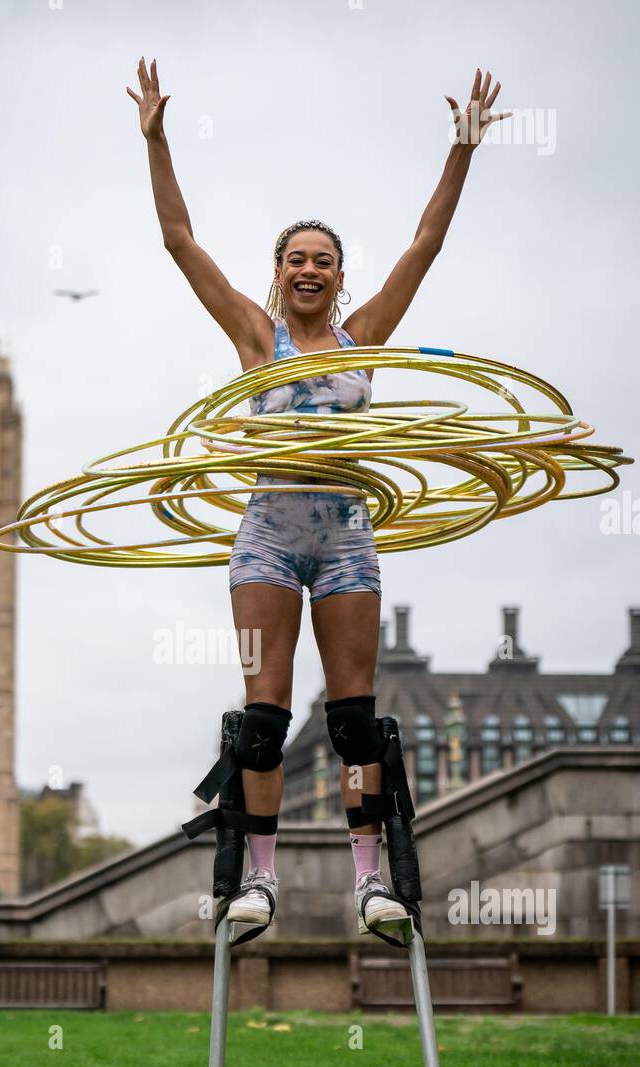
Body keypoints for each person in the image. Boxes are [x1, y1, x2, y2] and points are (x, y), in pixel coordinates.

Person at [128, 58, 510, 936]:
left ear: (339, 277)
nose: (311, 270)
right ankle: (258, 881)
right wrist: (157, 139)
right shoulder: (253, 337)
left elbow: (425, 246)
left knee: (353, 720)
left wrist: (462, 151)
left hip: (345, 540)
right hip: (267, 536)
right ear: (278, 272)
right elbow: (180, 240)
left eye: (324, 261)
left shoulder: (363, 336)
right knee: (262, 719)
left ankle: (372, 880)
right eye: (297, 259)